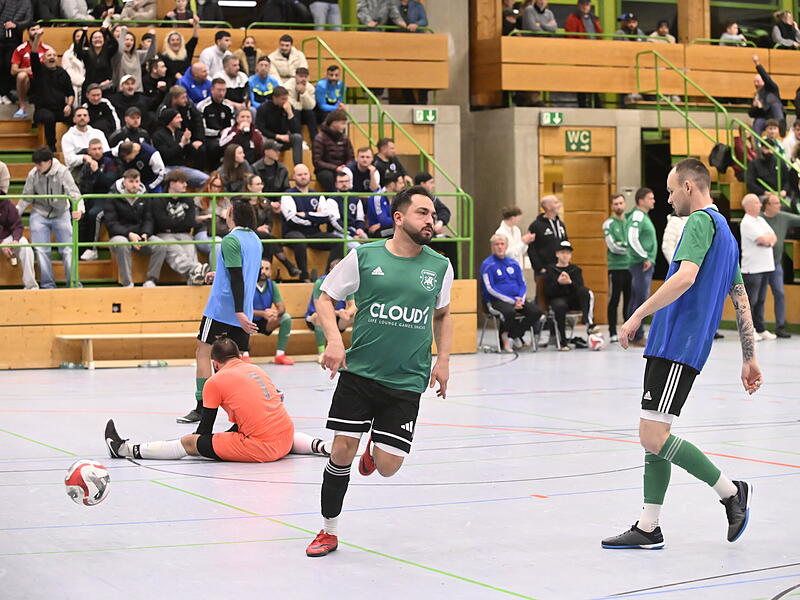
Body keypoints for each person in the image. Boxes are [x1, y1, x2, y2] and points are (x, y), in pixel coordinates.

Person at [601, 158, 760, 551]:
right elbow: (740, 300)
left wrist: (636, 313)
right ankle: (648, 525)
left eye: (671, 191)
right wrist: (749, 355)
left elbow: (685, 277)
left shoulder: (699, 223)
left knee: (652, 435)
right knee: (655, 434)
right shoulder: (727, 233)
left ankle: (730, 491)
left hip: (678, 345)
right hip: (671, 346)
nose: (669, 199)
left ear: (690, 187)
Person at [305, 185, 453, 558]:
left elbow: (442, 314)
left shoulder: (439, 266)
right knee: (341, 450)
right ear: (399, 218)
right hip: (361, 375)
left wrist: (445, 360)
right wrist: (335, 342)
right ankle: (328, 530)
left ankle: (375, 450)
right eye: (422, 213)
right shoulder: (365, 257)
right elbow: (325, 297)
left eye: (432, 215)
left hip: (407, 379)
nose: (430, 221)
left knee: (388, 467)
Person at [106, 338, 331, 462]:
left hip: (264, 449)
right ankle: (320, 446)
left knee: (189, 443)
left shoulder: (214, 382)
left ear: (214, 363)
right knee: (275, 429)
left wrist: (212, 441)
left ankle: (127, 450)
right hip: (286, 437)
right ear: (240, 356)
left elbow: (203, 431)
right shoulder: (255, 370)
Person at [178, 199, 262, 424]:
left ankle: (201, 407)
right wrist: (219, 275)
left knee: (203, 352)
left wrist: (237, 312)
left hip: (222, 309)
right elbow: (239, 273)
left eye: (228, 208)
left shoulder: (230, 240)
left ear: (233, 214)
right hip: (243, 306)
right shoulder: (255, 239)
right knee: (238, 359)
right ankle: (245, 406)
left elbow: (236, 277)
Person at [17, 147, 83, 289]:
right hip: (39, 213)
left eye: (40, 164)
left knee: (68, 250)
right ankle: (48, 286)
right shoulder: (33, 174)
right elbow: (26, 197)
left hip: (61, 213)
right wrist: (15, 215)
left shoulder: (63, 172)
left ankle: (74, 284)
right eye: (35, 164)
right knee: (41, 250)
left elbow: (75, 193)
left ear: (49, 162)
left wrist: (79, 209)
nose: (37, 167)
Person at [104, 169, 166, 287]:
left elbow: (149, 218)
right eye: (131, 181)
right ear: (124, 182)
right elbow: (111, 224)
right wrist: (129, 234)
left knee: (161, 245)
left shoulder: (145, 196)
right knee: (122, 244)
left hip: (140, 235)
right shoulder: (112, 197)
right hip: (120, 235)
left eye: (137, 181)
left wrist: (145, 233)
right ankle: (127, 283)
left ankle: (151, 280)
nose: (134, 185)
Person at [280, 163, 343, 281]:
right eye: (300, 175)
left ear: (309, 175)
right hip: (293, 232)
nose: (303, 177)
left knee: (339, 242)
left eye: (305, 174)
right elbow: (292, 219)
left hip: (314, 232)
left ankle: (328, 277)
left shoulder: (318, 195)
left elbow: (326, 217)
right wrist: (314, 218)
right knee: (300, 241)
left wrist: (306, 215)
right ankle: (304, 276)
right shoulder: (287, 195)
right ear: (294, 177)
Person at [480, 233, 543, 352]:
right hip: (496, 301)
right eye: (496, 244)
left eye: (502, 244)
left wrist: (521, 299)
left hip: (517, 299)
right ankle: (506, 338)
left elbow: (522, 284)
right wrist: (512, 301)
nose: (499, 247)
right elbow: (490, 288)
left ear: (507, 246)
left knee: (536, 311)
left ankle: (512, 336)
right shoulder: (487, 265)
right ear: (492, 247)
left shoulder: (514, 263)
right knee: (510, 312)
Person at [150, 170, 209, 285]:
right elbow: (162, 224)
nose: (185, 185)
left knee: (190, 251)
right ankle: (195, 269)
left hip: (185, 234)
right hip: (165, 235)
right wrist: (179, 224)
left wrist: (173, 225)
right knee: (174, 250)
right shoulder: (158, 200)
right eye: (182, 182)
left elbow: (190, 222)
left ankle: (194, 277)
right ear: (172, 183)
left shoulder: (188, 200)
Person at [543, 240, 596, 351]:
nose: (565, 255)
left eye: (567, 253)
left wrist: (570, 283)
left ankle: (588, 322)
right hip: (558, 299)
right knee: (560, 305)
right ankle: (562, 341)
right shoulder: (550, 270)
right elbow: (548, 292)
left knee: (585, 291)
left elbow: (580, 288)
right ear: (557, 254)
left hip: (573, 300)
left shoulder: (575, 270)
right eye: (562, 253)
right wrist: (558, 282)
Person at [762, 192, 800, 338]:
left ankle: (780, 326)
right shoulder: (758, 219)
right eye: (776, 203)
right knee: (759, 298)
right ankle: (758, 327)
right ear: (767, 206)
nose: (780, 205)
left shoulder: (783, 217)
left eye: (779, 203)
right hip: (760, 265)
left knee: (780, 293)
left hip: (776, 264)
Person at [739, 193, 777, 342]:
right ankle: (749, 330)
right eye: (756, 203)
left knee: (761, 300)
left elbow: (772, 237)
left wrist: (769, 241)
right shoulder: (746, 222)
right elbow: (762, 239)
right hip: (752, 269)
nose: (760, 205)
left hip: (765, 267)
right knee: (751, 301)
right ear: (748, 206)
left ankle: (760, 328)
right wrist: (766, 240)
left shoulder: (760, 220)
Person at [28, 31, 73, 152]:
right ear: (44, 59)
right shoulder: (39, 70)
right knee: (49, 118)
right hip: (42, 110)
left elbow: (70, 93)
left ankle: (73, 145)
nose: (52, 57)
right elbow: (33, 54)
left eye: (54, 55)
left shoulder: (63, 73)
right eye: (49, 55)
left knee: (77, 116)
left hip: (60, 108)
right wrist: (37, 38)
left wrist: (69, 105)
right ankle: (51, 147)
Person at [305, 258, 356, 362]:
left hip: (337, 318)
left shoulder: (347, 283)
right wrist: (339, 312)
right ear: (330, 271)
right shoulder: (321, 282)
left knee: (355, 316)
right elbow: (319, 307)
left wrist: (348, 312)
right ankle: (321, 353)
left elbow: (353, 305)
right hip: (315, 317)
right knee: (318, 316)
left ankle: (355, 350)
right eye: (335, 270)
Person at [626, 187, 657, 346]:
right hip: (640, 264)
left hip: (642, 263)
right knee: (640, 300)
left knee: (636, 299)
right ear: (641, 200)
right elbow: (632, 237)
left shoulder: (643, 215)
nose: (653, 201)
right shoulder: (638, 215)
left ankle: (632, 335)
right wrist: (644, 256)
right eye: (650, 198)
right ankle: (637, 336)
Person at [152, 108, 209, 189]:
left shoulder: (180, 134)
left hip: (181, 168)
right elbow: (165, 155)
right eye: (178, 118)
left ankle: (199, 200)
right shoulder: (158, 135)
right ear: (170, 120)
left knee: (207, 180)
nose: (181, 120)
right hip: (165, 168)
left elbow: (193, 154)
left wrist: (188, 143)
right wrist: (181, 144)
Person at [252, 259, 294, 365]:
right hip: (249, 320)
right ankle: (244, 355)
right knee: (238, 318)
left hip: (266, 321)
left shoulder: (272, 284)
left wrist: (276, 313)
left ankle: (280, 355)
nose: (263, 271)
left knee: (286, 318)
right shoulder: (248, 283)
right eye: (261, 268)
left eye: (267, 269)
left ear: (270, 272)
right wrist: (262, 313)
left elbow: (282, 307)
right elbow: (242, 310)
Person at [10, 23, 53, 120]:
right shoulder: (21, 49)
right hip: (28, 80)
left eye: (37, 30)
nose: (36, 32)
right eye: (33, 30)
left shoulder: (47, 49)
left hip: (42, 79)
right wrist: (26, 70)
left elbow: (53, 66)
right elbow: (13, 70)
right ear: (28, 32)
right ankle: (22, 107)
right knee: (21, 75)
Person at [603, 194, 630, 343]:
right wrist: (628, 247)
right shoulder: (608, 224)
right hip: (615, 267)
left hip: (630, 267)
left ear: (625, 204)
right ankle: (612, 332)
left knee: (629, 300)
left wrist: (624, 244)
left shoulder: (629, 222)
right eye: (615, 204)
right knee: (614, 299)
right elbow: (613, 246)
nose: (619, 206)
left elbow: (633, 241)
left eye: (621, 203)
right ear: (612, 206)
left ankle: (628, 331)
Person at [0, 186, 38, 290]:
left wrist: (16, 240)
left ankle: (31, 287)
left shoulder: (7, 203)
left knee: (25, 245)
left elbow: (17, 225)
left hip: (7, 236)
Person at [256, 86, 303, 166]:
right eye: (283, 99)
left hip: (284, 138)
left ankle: (298, 167)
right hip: (269, 138)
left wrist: (290, 114)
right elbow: (261, 128)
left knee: (297, 137)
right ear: (274, 98)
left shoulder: (288, 108)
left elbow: (296, 131)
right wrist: (277, 136)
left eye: (286, 99)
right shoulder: (263, 108)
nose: (285, 101)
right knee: (263, 140)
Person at [313, 109, 354, 193]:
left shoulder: (345, 138)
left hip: (343, 168)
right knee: (327, 176)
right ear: (334, 123)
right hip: (326, 170)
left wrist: (346, 166)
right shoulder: (320, 138)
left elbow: (350, 157)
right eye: (342, 123)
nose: (344, 126)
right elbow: (317, 161)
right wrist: (335, 168)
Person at [61, 107, 110, 176]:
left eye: (85, 115)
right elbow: (69, 160)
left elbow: (106, 152)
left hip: (100, 167)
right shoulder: (67, 137)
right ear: (74, 119)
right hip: (77, 172)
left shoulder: (98, 133)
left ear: (88, 118)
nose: (82, 118)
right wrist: (84, 157)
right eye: (79, 115)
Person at [75, 25, 118, 97]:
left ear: (104, 40)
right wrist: (84, 34)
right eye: (95, 38)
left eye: (100, 37)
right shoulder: (87, 53)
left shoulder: (108, 52)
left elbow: (115, 44)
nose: (97, 39)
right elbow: (78, 51)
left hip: (105, 86)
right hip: (90, 87)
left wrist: (107, 31)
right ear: (91, 40)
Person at [111, 26, 156, 92]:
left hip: (138, 91)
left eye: (131, 40)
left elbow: (151, 53)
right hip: (122, 92)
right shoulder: (116, 56)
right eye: (126, 39)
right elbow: (119, 50)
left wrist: (153, 37)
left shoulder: (137, 55)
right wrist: (123, 32)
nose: (129, 41)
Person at [193, 171, 228, 254]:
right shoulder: (199, 199)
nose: (216, 189)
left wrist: (228, 214)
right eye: (214, 186)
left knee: (237, 242)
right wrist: (206, 217)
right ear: (208, 185)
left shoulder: (225, 201)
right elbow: (192, 219)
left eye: (219, 187)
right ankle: (215, 267)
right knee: (218, 242)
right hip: (204, 232)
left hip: (222, 232)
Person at [749, 55, 785, 136]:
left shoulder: (772, 88)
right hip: (765, 119)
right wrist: (757, 108)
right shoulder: (756, 96)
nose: (756, 84)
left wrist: (757, 64)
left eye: (758, 81)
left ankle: (781, 126)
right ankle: (757, 146)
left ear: (763, 81)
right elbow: (751, 114)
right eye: (754, 82)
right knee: (758, 122)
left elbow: (766, 78)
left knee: (775, 105)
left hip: (775, 117)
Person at [284, 67, 317, 141]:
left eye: (305, 77)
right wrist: (301, 106)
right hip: (290, 113)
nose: (303, 79)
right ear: (295, 76)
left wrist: (304, 93)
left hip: (303, 112)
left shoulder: (310, 88)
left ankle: (315, 139)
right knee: (296, 112)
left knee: (310, 113)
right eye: (301, 76)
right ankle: (298, 139)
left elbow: (311, 106)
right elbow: (289, 102)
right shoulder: (287, 86)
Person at [367, 171, 403, 238]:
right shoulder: (378, 197)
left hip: (392, 227)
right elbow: (383, 220)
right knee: (404, 231)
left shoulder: (398, 196)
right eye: (400, 183)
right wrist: (403, 219)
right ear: (392, 184)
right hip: (378, 231)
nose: (403, 185)